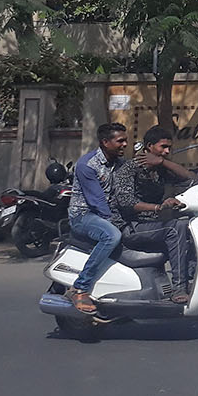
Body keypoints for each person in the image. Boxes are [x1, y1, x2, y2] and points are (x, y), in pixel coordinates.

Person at [111, 126, 192, 304]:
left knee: (190, 228)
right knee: (175, 228)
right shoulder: (129, 168)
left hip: (152, 226)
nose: (167, 151)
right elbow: (127, 202)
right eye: (163, 147)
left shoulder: (161, 169)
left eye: (169, 147)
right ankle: (179, 288)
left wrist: (162, 162)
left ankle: (192, 280)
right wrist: (159, 207)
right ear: (149, 146)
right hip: (132, 226)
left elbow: (189, 178)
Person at [67, 123, 129, 314]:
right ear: (105, 142)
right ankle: (80, 287)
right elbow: (97, 201)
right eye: (120, 141)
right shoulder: (87, 165)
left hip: (105, 213)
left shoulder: (119, 163)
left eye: (125, 140)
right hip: (83, 215)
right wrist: (114, 220)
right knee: (111, 235)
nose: (125, 144)